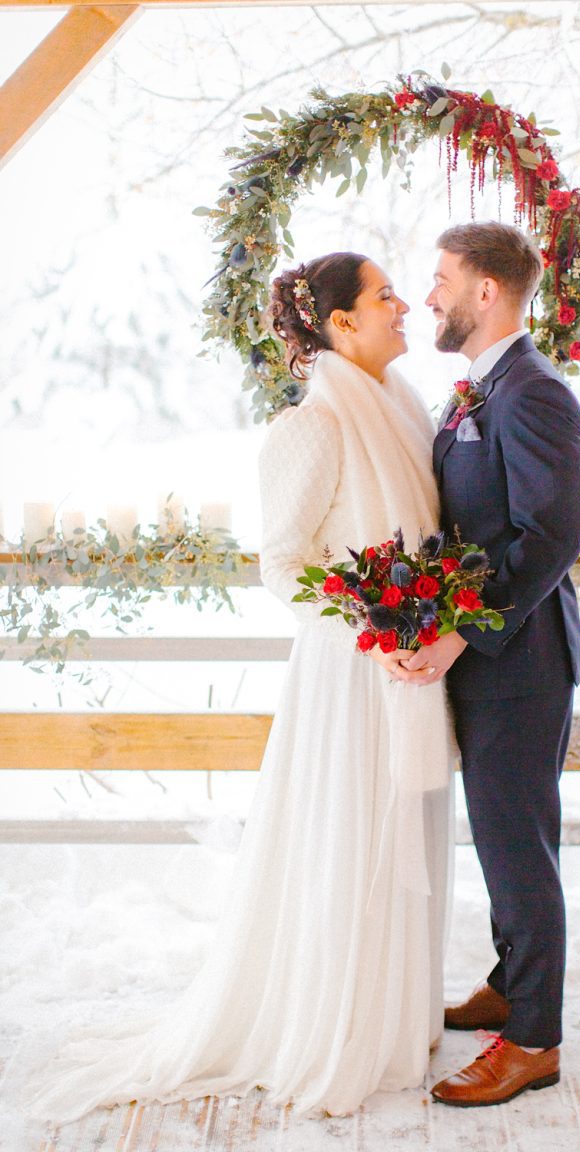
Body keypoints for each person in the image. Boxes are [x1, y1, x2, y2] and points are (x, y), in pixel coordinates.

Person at [18, 253, 454, 1122]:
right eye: (383, 295)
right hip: (352, 673)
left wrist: (426, 628)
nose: (403, 304)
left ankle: (393, 1018)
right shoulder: (314, 426)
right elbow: (283, 565)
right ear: (338, 324)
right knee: (352, 842)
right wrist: (377, 631)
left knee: (408, 834)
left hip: (409, 669)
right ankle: (333, 1024)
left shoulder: (404, 410)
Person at [396, 222, 580, 1107]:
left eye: (441, 279)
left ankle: (535, 1039)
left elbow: (549, 537)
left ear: (486, 293)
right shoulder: (482, 386)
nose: (428, 294)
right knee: (502, 836)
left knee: (519, 850)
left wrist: (461, 633)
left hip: (521, 661)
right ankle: (512, 985)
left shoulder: (534, 394)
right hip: (491, 658)